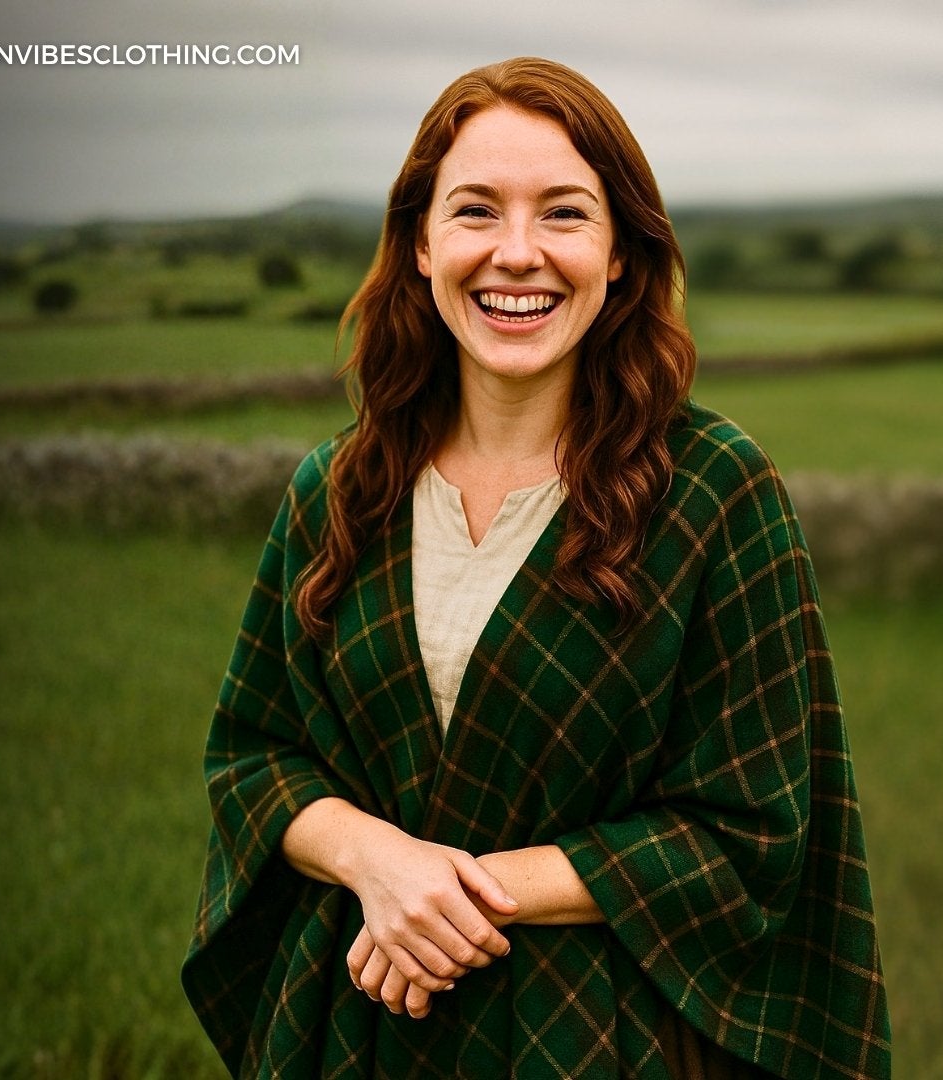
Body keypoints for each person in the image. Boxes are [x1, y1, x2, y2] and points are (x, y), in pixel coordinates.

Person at [181, 57, 890, 1079]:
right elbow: (254, 756)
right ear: (420, 246)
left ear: (621, 259)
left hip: (598, 1037)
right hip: (353, 1030)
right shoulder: (338, 490)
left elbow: (748, 828)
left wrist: (447, 895)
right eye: (475, 211)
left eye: (564, 214)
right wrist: (376, 863)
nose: (518, 255)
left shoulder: (714, 493)